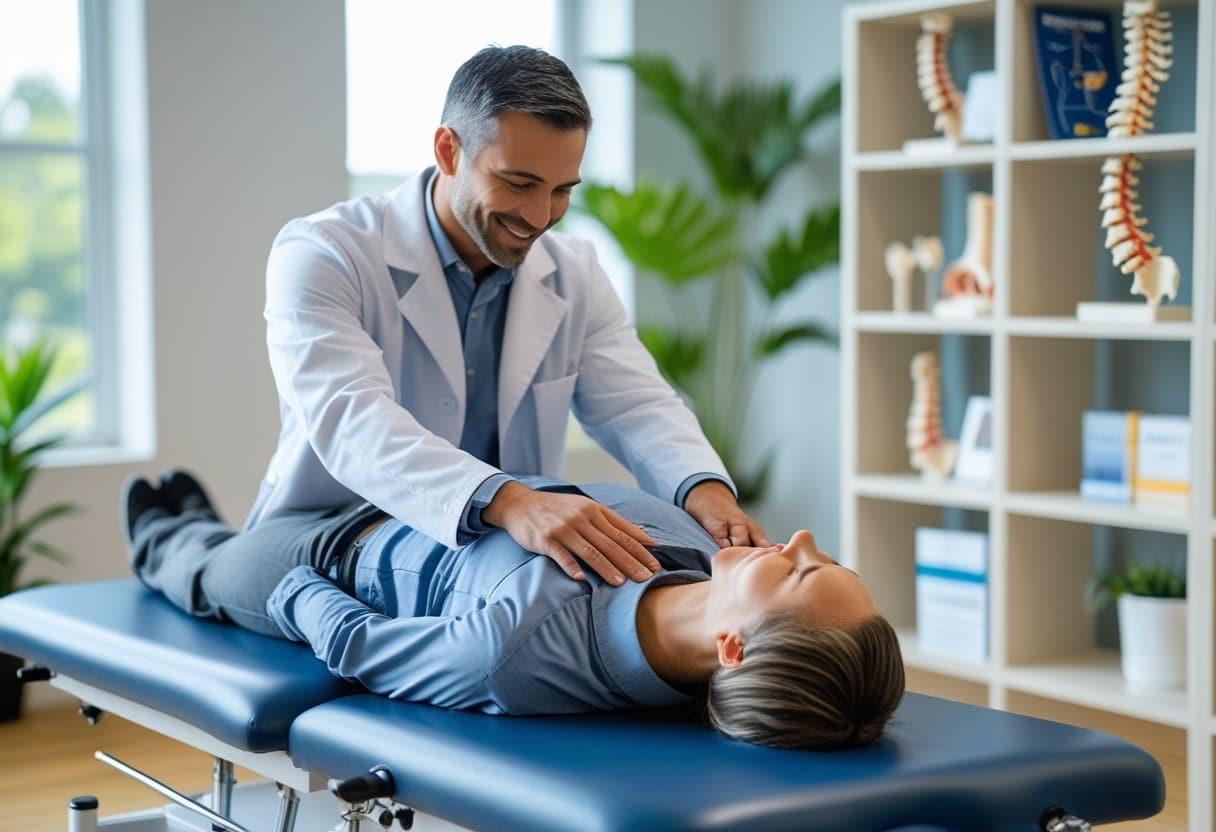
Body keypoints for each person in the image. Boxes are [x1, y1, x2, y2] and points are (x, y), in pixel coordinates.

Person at [247, 44, 770, 590]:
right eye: (518, 184)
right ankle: (174, 528)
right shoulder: (325, 252)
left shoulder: (574, 272)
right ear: (449, 151)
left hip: (493, 552)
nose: (541, 216)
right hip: (334, 530)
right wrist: (509, 501)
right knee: (198, 559)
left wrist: (707, 495)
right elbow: (353, 420)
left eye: (562, 190)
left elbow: (637, 405)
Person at [125, 472, 905, 751]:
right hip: (415, 487)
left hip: (334, 557)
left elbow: (361, 644)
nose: (800, 538)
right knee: (226, 534)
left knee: (191, 563)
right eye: (826, 556)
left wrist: (278, 584)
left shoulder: (519, 652)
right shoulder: (699, 556)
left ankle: (174, 534)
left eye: (802, 574)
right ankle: (209, 524)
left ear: (732, 649)